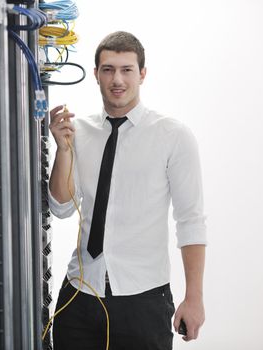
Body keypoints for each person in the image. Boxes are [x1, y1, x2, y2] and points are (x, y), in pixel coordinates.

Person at [48, 31, 207, 350]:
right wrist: (63, 150)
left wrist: (194, 298)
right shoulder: (80, 132)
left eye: (126, 69)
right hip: (80, 295)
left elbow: (190, 221)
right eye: (108, 69)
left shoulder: (172, 135)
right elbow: (61, 207)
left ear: (142, 74)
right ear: (95, 74)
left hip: (142, 301)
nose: (116, 79)